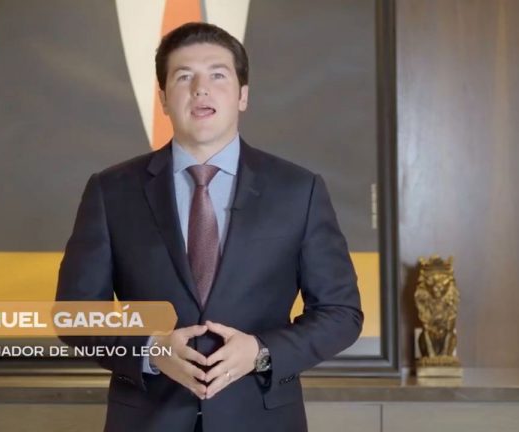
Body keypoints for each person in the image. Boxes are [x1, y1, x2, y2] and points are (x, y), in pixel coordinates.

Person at [56, 22, 363, 432]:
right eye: (184, 77)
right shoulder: (111, 191)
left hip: (262, 419)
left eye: (217, 75)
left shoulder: (298, 190)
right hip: (148, 419)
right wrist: (150, 351)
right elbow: (75, 314)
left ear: (242, 95)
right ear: (163, 99)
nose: (201, 89)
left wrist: (261, 351)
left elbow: (340, 313)